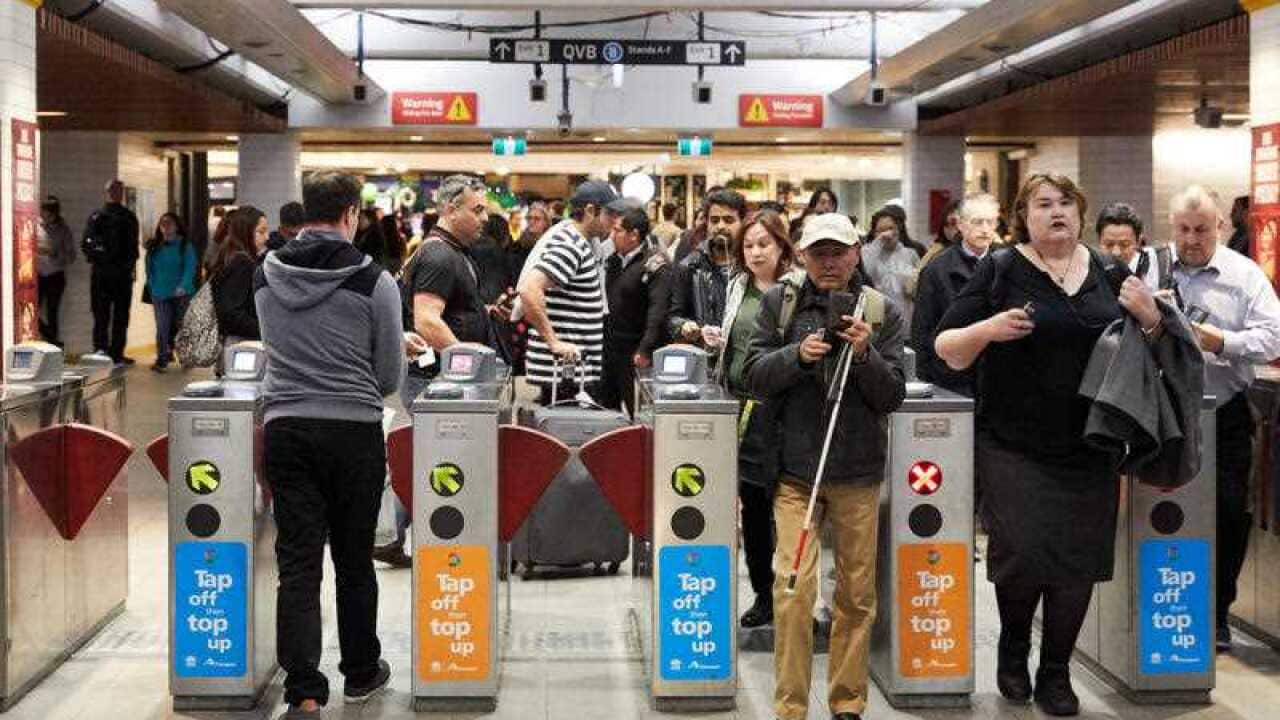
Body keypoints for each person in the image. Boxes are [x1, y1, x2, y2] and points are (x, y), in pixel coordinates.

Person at [935, 174, 1163, 716]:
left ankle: (1056, 670)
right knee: (1023, 555)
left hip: (1092, 446)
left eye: (1065, 203)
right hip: (1013, 444)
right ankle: (1014, 647)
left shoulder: (1110, 272)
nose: (1056, 212)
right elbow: (946, 347)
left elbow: (1154, 348)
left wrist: (1152, 317)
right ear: (1025, 216)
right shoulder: (1001, 268)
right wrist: (987, 329)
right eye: (1043, 204)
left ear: (1080, 214)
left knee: (1077, 564)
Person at [744, 212, 907, 720]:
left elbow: (893, 395)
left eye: (839, 252)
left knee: (857, 597)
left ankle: (847, 704)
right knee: (792, 591)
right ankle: (790, 707)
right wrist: (798, 354)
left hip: (858, 474)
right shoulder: (781, 303)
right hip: (794, 476)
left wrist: (864, 355)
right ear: (803, 257)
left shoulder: (882, 312)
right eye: (819, 253)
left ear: (856, 253)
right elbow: (752, 374)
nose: (830, 262)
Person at [255, 170, 404, 719]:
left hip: (287, 429)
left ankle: (305, 690)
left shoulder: (265, 275)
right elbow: (388, 375)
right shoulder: (374, 281)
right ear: (351, 215)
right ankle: (362, 672)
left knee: (297, 562)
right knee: (353, 558)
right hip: (352, 431)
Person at [1161, 186, 1280, 651]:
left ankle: (1216, 613)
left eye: (1202, 230)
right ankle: (1169, 606)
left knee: (1230, 513)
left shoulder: (1244, 274)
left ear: (1222, 227)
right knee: (1164, 514)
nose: (1192, 239)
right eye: (1184, 230)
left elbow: (1273, 338)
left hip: (1225, 411)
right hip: (1166, 414)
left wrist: (1220, 343)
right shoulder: (1153, 267)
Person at [713, 209, 800, 630]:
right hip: (742, 409)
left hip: (785, 413)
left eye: (764, 243)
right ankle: (764, 594)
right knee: (753, 508)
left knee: (788, 506)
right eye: (748, 245)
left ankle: (794, 594)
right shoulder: (737, 288)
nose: (755, 252)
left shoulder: (797, 290)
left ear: (783, 246)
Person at [517, 180, 618, 404]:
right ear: (591, 211)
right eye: (610, 214)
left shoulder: (581, 242)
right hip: (564, 374)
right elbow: (529, 289)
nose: (614, 221)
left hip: (569, 372)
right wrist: (553, 342)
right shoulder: (570, 244)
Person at [911, 193, 998, 396]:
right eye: (977, 222)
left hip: (997, 379)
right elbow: (922, 330)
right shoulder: (936, 269)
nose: (985, 229)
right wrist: (927, 381)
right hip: (951, 377)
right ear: (960, 224)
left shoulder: (1008, 264)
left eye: (990, 222)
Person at [598, 202, 671, 415]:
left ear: (634, 235)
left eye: (618, 230)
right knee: (606, 410)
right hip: (610, 348)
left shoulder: (654, 264)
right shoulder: (612, 261)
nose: (612, 235)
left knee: (637, 410)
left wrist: (645, 348)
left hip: (635, 350)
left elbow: (658, 310)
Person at [669, 188, 746, 355]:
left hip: (743, 361)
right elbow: (673, 317)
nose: (720, 226)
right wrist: (685, 326)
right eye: (715, 220)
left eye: (728, 220)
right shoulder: (690, 266)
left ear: (742, 222)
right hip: (704, 359)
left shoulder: (751, 266)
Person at [81, 179, 140, 364]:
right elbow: (87, 245)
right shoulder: (97, 217)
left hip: (122, 275)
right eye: (113, 190)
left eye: (119, 191)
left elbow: (132, 249)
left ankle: (117, 352)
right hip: (102, 274)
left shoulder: (129, 217)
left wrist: (129, 269)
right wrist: (101, 258)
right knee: (100, 314)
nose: (117, 194)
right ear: (107, 192)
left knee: (121, 315)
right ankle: (101, 349)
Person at [144, 213, 197, 372]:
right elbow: (149, 270)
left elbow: (190, 267)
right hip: (160, 293)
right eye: (163, 225)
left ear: (177, 227)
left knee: (183, 326)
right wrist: (152, 287)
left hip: (182, 293)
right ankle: (162, 358)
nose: (166, 228)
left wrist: (183, 285)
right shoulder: (154, 248)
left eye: (170, 224)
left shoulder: (185, 246)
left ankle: (185, 357)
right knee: (162, 326)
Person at [211, 207, 268, 348]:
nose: (267, 237)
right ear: (246, 232)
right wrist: (265, 330)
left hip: (231, 340)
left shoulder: (230, 256)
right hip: (241, 343)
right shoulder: (242, 263)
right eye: (261, 231)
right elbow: (231, 313)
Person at [861, 207, 920, 332]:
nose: (886, 234)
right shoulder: (866, 252)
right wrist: (877, 245)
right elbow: (865, 274)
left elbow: (919, 287)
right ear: (874, 233)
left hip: (906, 322)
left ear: (898, 230)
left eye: (890, 228)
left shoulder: (910, 254)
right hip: (876, 321)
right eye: (880, 230)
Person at [37, 195, 76, 347]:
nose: (42, 216)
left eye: (46, 213)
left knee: (52, 311)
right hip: (37, 275)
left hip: (55, 276)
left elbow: (71, 256)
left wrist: (55, 254)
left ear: (54, 214)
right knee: (31, 311)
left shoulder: (64, 230)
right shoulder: (36, 226)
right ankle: (50, 337)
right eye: (42, 212)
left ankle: (53, 345)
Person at [1096, 202, 1163, 288]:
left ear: (1138, 243)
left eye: (1124, 245)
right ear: (1099, 241)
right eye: (1109, 244)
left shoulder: (1155, 273)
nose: (1116, 253)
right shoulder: (1088, 274)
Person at [918, 198, 963, 268]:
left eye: (961, 222)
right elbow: (917, 276)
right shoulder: (935, 252)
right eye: (952, 223)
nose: (958, 227)